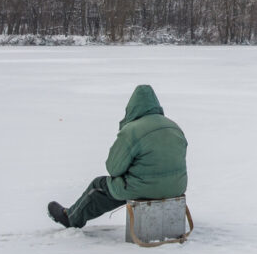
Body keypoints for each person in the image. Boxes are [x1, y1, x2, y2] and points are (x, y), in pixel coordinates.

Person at [47, 84, 188, 229]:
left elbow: (113, 169)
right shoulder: (174, 127)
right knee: (132, 184)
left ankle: (70, 218)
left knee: (100, 186)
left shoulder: (132, 130)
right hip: (176, 188)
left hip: (143, 189)